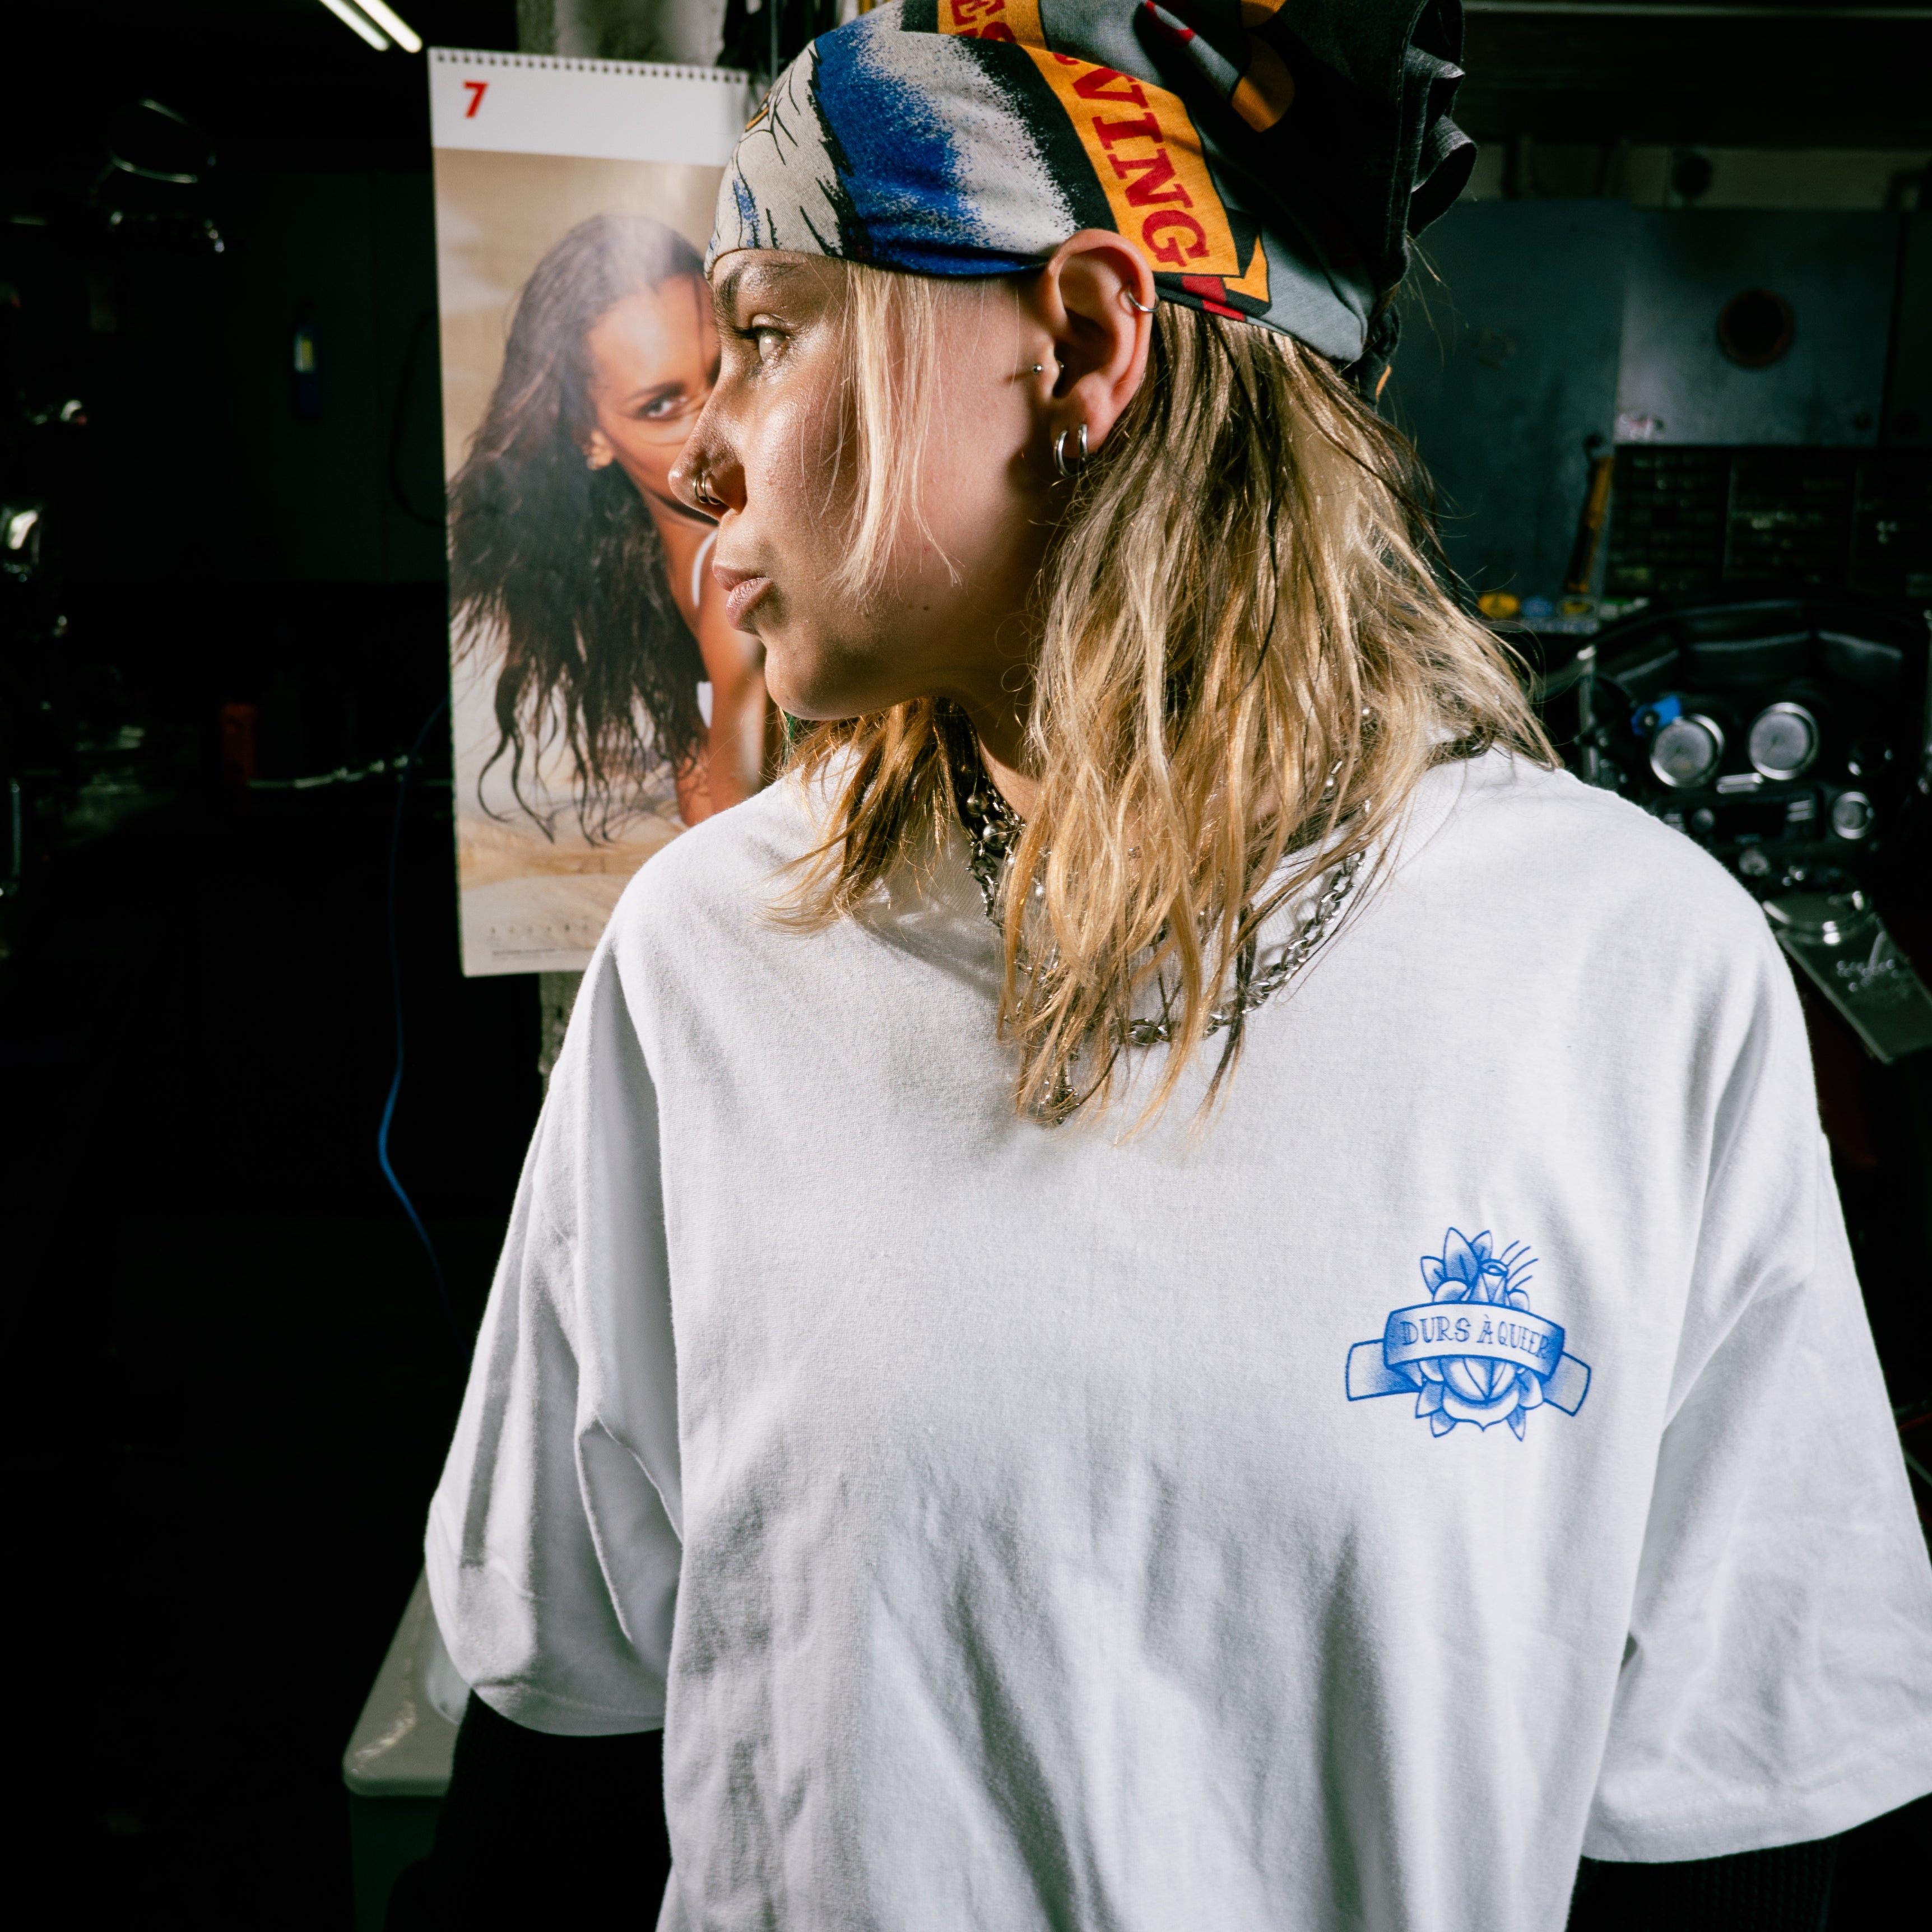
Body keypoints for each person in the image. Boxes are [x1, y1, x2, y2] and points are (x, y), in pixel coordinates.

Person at [407, 6, 1932, 1929]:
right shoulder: (711, 952)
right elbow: (562, 1746)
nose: (703, 449)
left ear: (1077, 342)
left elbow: (1736, 1803)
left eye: (770, 329)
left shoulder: (1630, 971)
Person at [447, 211, 768, 833]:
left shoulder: (730, 580)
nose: (715, 424)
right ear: (588, 437)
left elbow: (734, 850)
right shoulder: (685, 583)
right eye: (662, 405)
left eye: (728, 369)